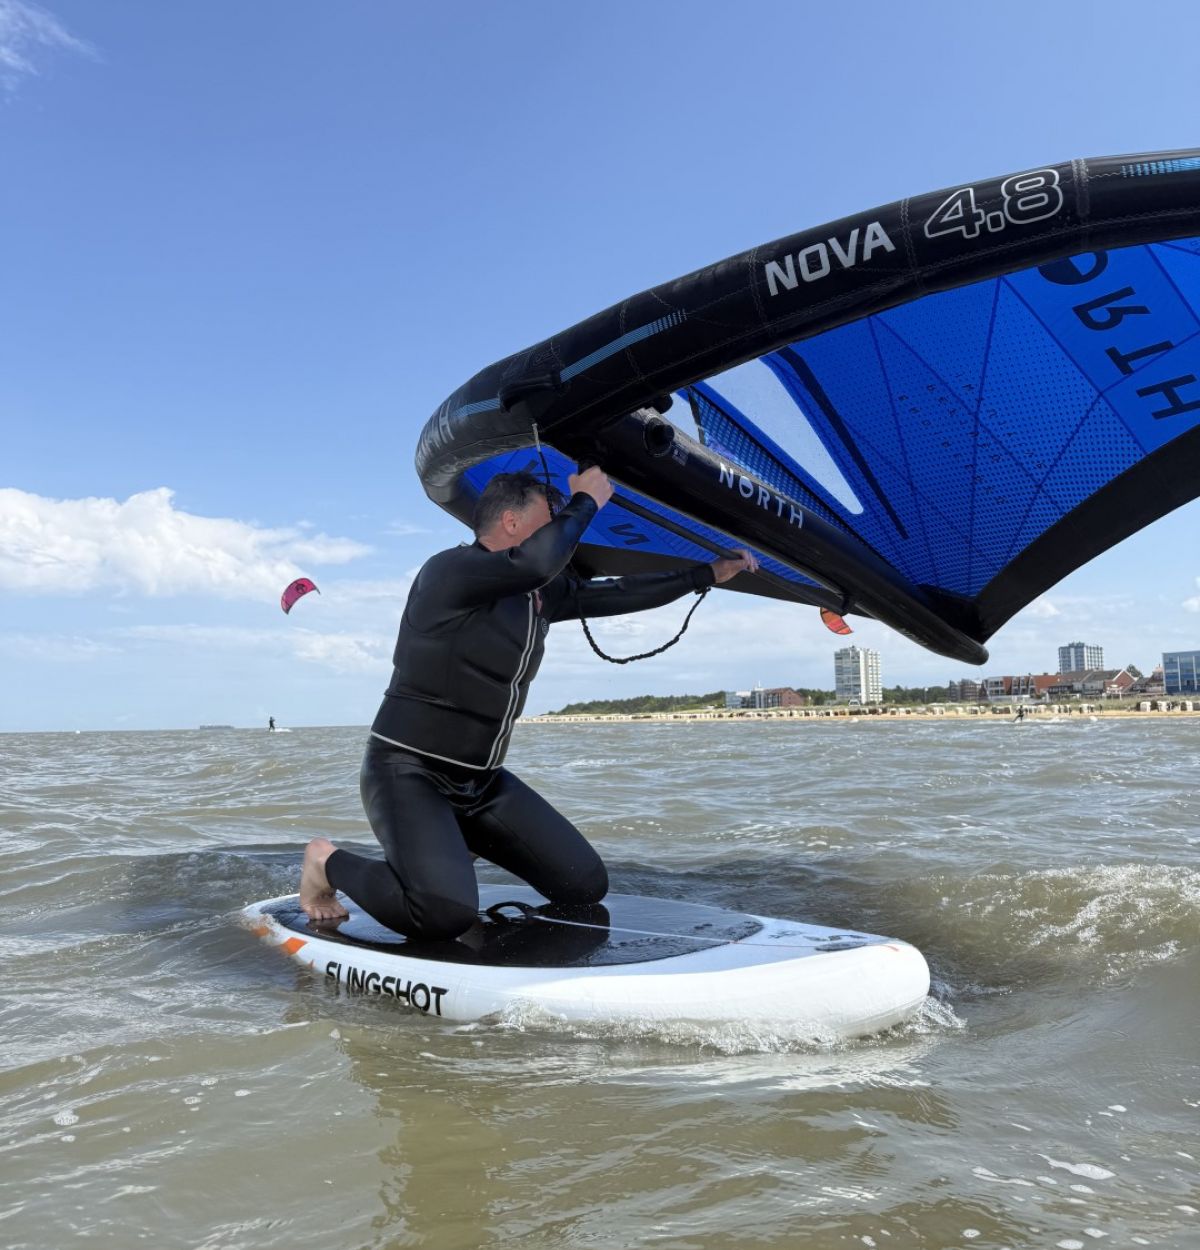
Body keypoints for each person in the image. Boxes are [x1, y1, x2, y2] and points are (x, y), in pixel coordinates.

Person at [298, 467, 758, 938]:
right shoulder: (450, 571)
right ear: (513, 523)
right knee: (442, 915)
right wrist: (586, 502)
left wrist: (707, 574)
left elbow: (618, 593)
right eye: (550, 513)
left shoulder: (538, 593)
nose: (560, 521)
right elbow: (536, 561)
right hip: (408, 770)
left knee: (583, 884)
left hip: (480, 782)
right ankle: (325, 862)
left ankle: (450, 849)